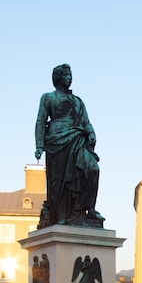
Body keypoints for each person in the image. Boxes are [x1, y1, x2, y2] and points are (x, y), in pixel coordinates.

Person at [34, 63, 104, 227]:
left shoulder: (78, 101)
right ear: (58, 77)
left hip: (78, 138)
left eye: (71, 75)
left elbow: (86, 121)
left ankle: (90, 209)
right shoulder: (48, 97)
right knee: (60, 180)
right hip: (56, 141)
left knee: (92, 169)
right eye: (66, 75)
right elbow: (40, 121)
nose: (70, 78)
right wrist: (39, 144)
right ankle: (61, 215)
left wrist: (92, 133)